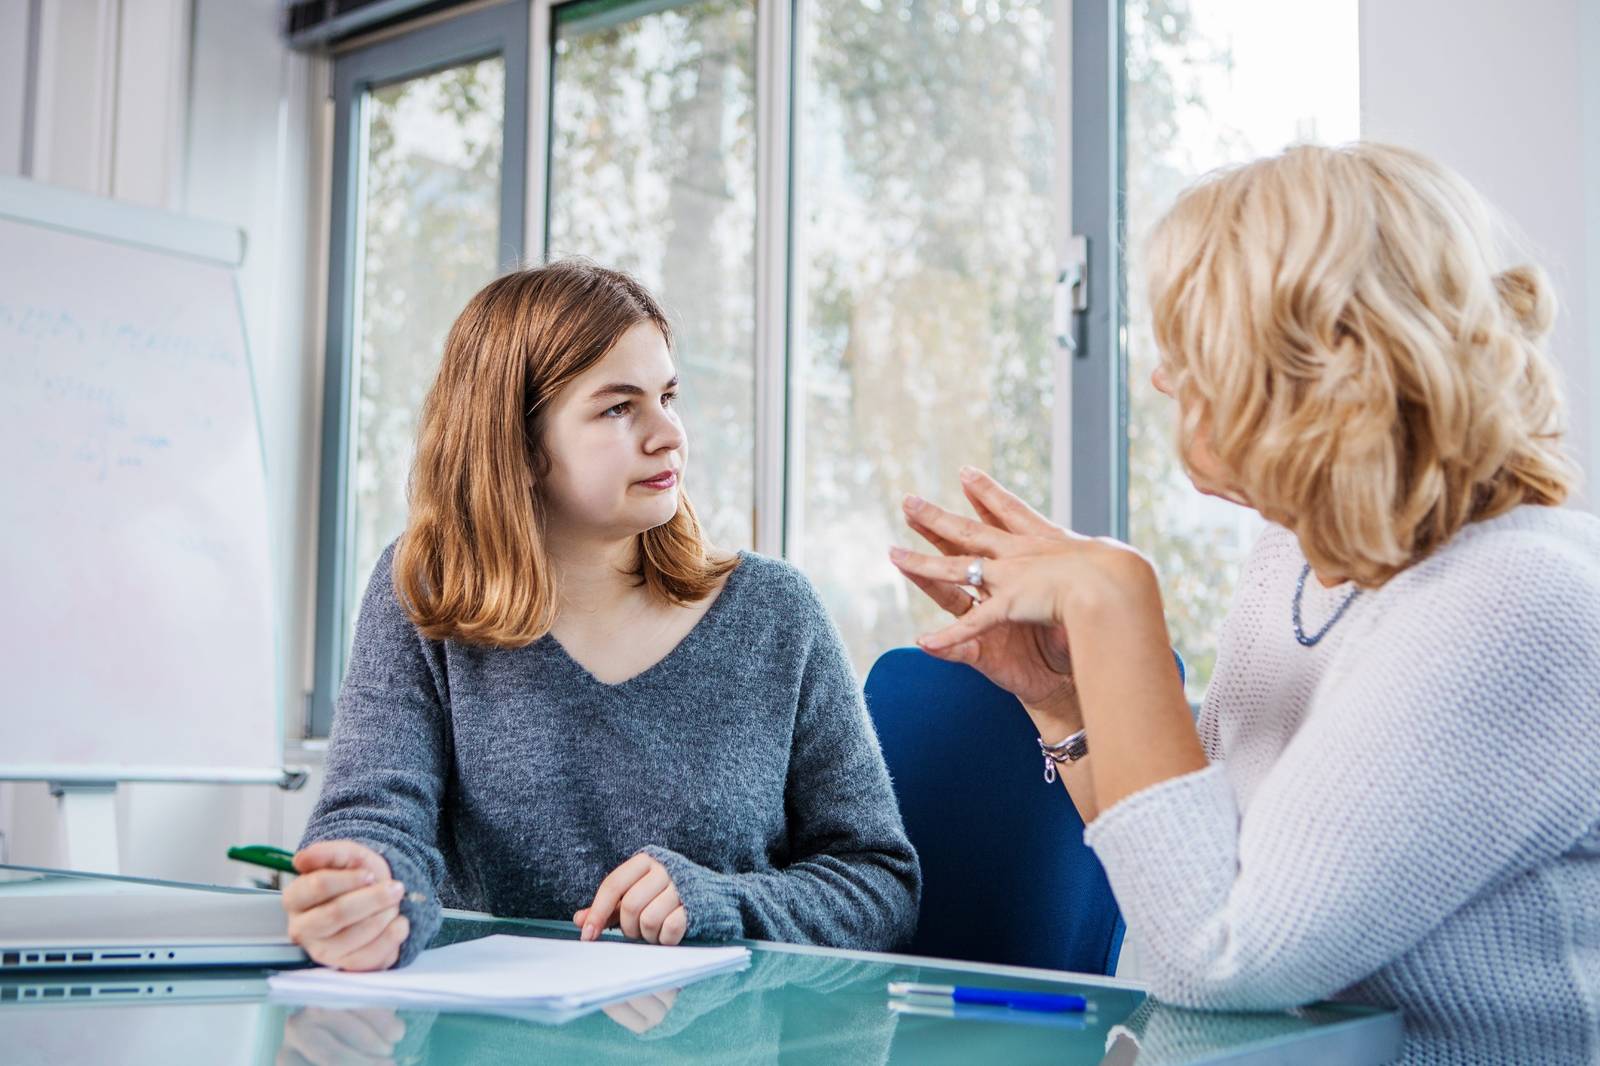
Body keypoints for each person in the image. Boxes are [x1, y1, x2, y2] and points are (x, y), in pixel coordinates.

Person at [890, 143, 1600, 1061]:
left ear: (1319, 360)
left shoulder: (1517, 602)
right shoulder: (1297, 556)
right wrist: (1062, 699)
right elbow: (1203, 864)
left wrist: (1119, 602)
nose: (1163, 378)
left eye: (1191, 344)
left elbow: (1216, 960)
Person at [284, 259, 919, 971]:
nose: (668, 435)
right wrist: (367, 891)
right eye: (620, 408)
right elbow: (374, 818)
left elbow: (879, 883)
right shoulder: (426, 591)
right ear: (518, 447)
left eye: (668, 396)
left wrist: (723, 904)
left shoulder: (776, 614)